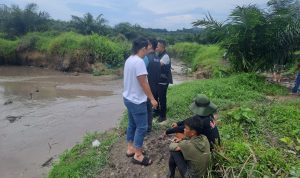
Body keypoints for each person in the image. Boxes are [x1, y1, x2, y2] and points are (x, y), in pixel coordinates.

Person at [123, 37, 158, 166]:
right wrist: (152, 99)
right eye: (148, 47)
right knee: (142, 127)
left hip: (128, 98)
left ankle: (130, 148)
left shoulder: (129, 59)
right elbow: (143, 82)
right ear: (143, 48)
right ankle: (138, 155)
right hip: (137, 101)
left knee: (132, 124)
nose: (149, 49)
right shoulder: (139, 62)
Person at [143, 38, 160, 132]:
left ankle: (144, 128)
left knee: (144, 109)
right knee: (149, 109)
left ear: (150, 45)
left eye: (147, 44)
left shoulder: (146, 58)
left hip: (147, 89)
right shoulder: (157, 58)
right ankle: (149, 128)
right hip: (155, 87)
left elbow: (141, 76)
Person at [156, 40, 173, 122]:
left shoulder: (165, 56)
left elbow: (158, 65)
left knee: (162, 98)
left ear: (162, 47)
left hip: (163, 80)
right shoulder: (159, 55)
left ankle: (163, 116)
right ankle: (157, 111)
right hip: (159, 80)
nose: (156, 47)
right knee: (157, 96)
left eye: (158, 46)